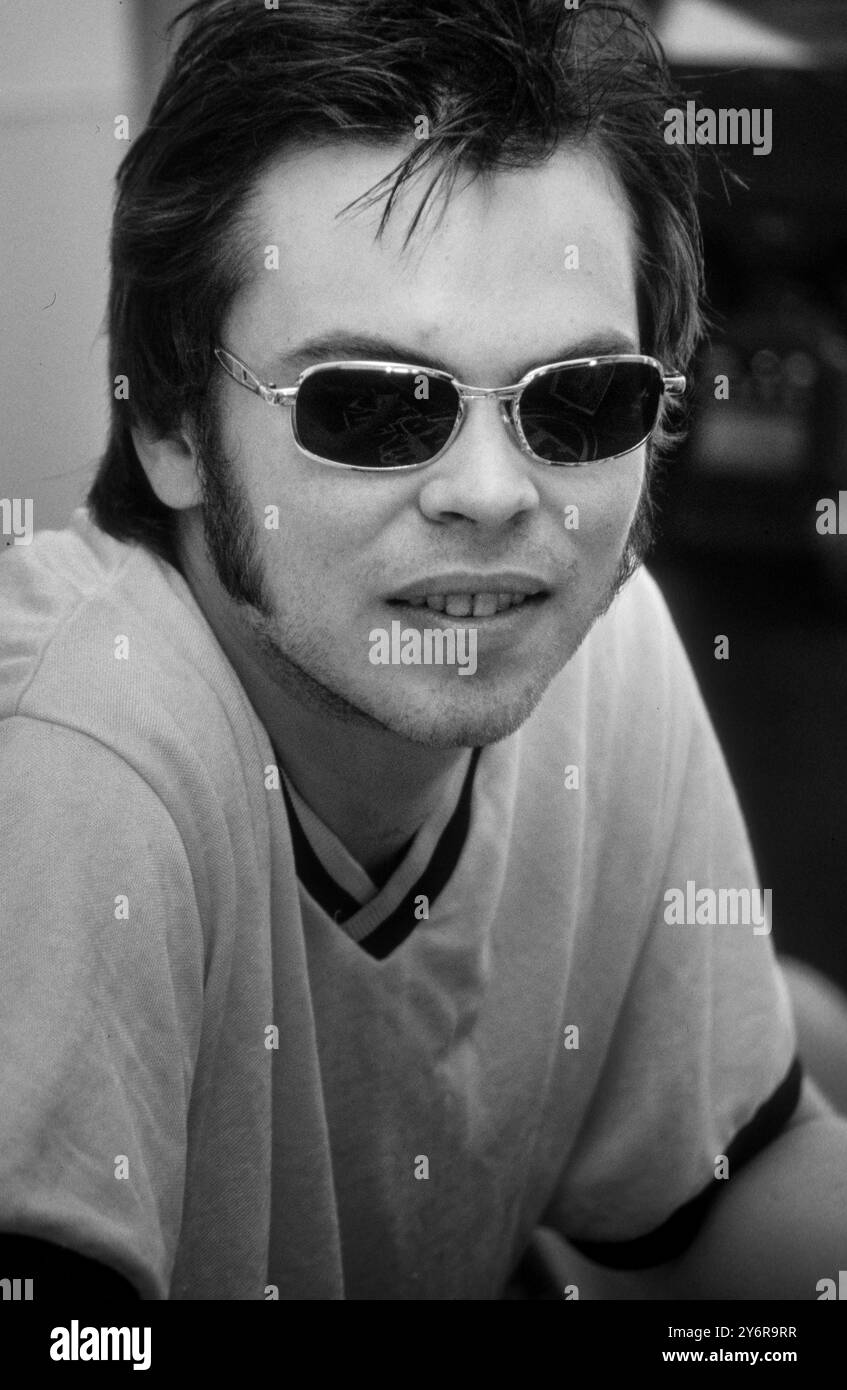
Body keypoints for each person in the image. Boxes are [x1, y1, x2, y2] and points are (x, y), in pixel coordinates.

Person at [1, 0, 845, 1302]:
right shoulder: (81, 769)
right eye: (377, 407)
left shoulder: (599, 637)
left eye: (581, 401)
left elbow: (734, 1183)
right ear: (171, 425)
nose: (496, 495)